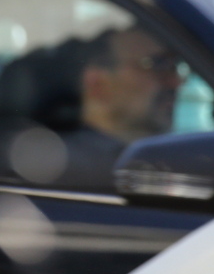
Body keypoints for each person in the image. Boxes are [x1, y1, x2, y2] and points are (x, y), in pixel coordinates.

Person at [57, 26, 185, 189]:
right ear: (96, 83)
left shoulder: (160, 159)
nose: (176, 82)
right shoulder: (65, 169)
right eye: (156, 64)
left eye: (174, 66)